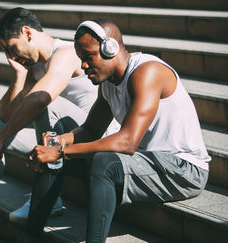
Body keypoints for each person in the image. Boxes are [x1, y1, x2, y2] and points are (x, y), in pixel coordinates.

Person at [0, 8, 118, 242]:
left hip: (95, 136)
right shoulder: (34, 67)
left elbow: (41, 98)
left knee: (43, 104)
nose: (11, 56)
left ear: (27, 32)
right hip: (63, 139)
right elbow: (6, 115)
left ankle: (49, 194)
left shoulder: (66, 52)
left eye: (11, 48)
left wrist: (4, 138)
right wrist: (19, 76)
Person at [24, 19, 211, 243]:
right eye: (81, 60)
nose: (83, 66)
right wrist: (59, 142)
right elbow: (91, 129)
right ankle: (29, 237)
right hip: (147, 161)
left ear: (109, 48)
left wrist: (62, 151)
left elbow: (127, 142)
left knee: (104, 163)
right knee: (55, 149)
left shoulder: (147, 72)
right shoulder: (108, 84)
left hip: (183, 169)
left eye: (88, 57)